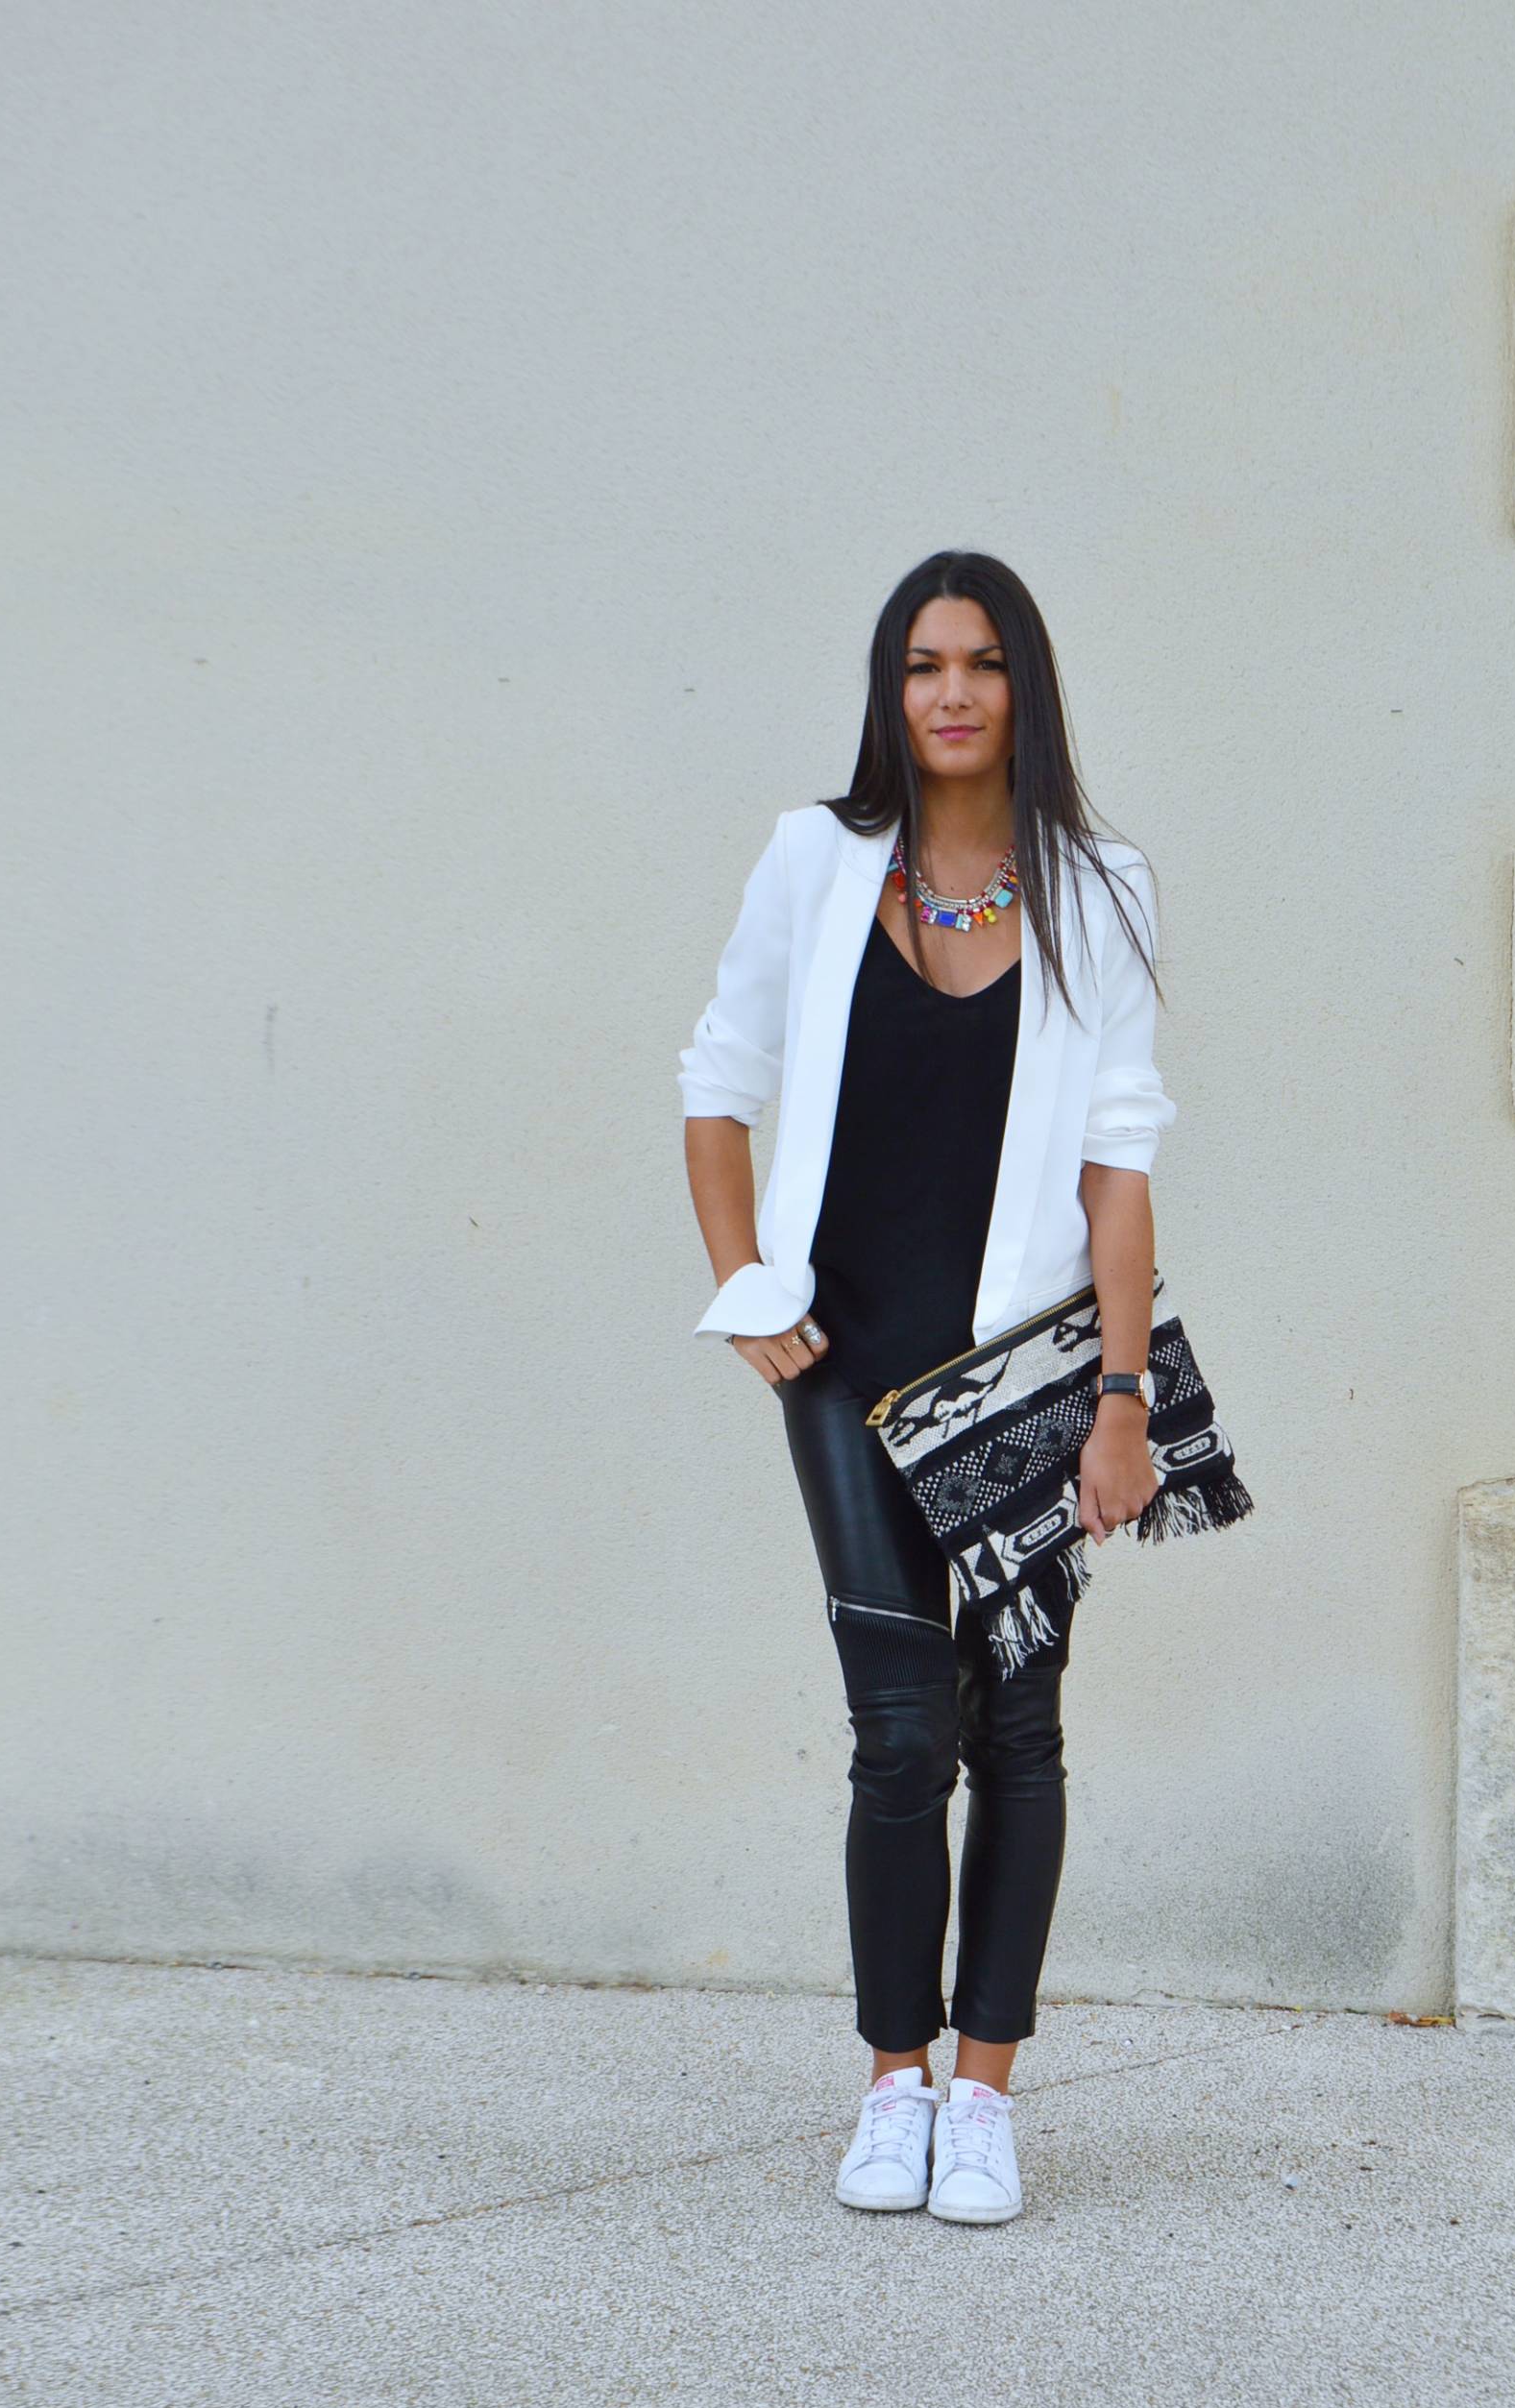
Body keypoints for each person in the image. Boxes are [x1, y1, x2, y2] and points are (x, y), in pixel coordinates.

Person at [678, 548, 1177, 2226]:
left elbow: (1119, 1162)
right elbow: (717, 1082)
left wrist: (1124, 1398)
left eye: (980, 662)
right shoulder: (814, 862)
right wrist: (747, 1285)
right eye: (920, 665)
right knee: (901, 1736)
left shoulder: (1100, 891)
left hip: (1024, 1378)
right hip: (845, 1364)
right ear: (891, 693)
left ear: (1025, 687)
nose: (950, 692)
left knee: (1016, 1725)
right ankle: (892, 2085)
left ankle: (985, 2098)